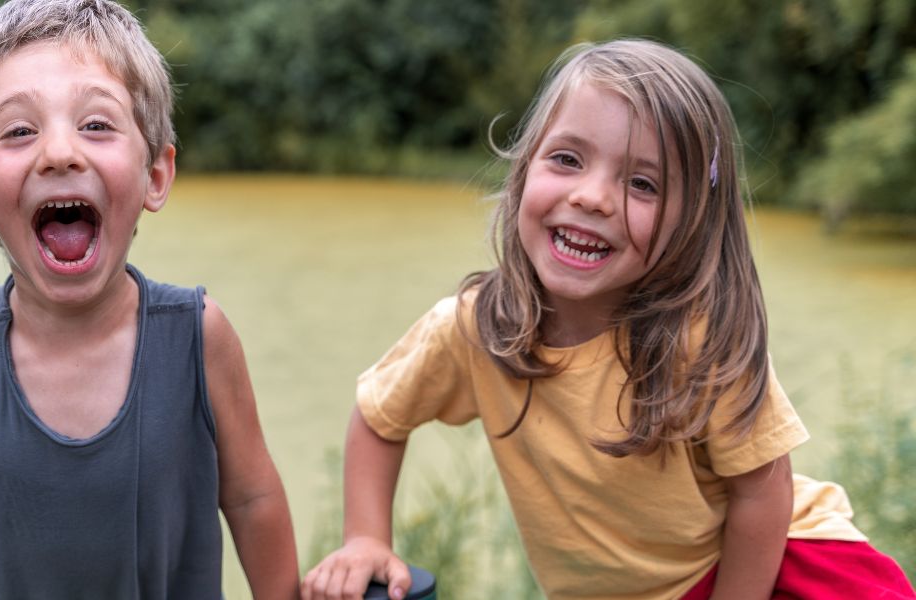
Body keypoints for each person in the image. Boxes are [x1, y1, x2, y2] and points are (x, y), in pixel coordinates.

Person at [302, 39, 915, 600]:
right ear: (522, 169)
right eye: (567, 158)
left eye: (642, 184)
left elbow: (762, 492)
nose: (592, 197)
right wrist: (366, 539)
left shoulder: (696, 340)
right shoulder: (473, 327)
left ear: (691, 221)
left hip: (772, 566)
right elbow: (382, 414)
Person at [0, 0, 299, 597]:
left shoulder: (199, 334)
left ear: (155, 175)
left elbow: (252, 498)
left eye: (96, 124)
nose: (60, 152)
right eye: (18, 131)